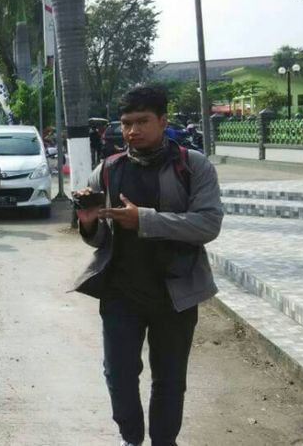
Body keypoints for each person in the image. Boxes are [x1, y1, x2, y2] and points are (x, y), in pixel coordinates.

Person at [72, 85, 223, 446]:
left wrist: (145, 220)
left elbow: (207, 224)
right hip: (122, 293)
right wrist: (89, 221)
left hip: (176, 292)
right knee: (119, 375)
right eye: (126, 123)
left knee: (170, 379)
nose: (132, 131)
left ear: (163, 120)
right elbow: (97, 238)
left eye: (142, 121)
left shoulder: (193, 165)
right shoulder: (108, 169)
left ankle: (163, 442)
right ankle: (131, 438)